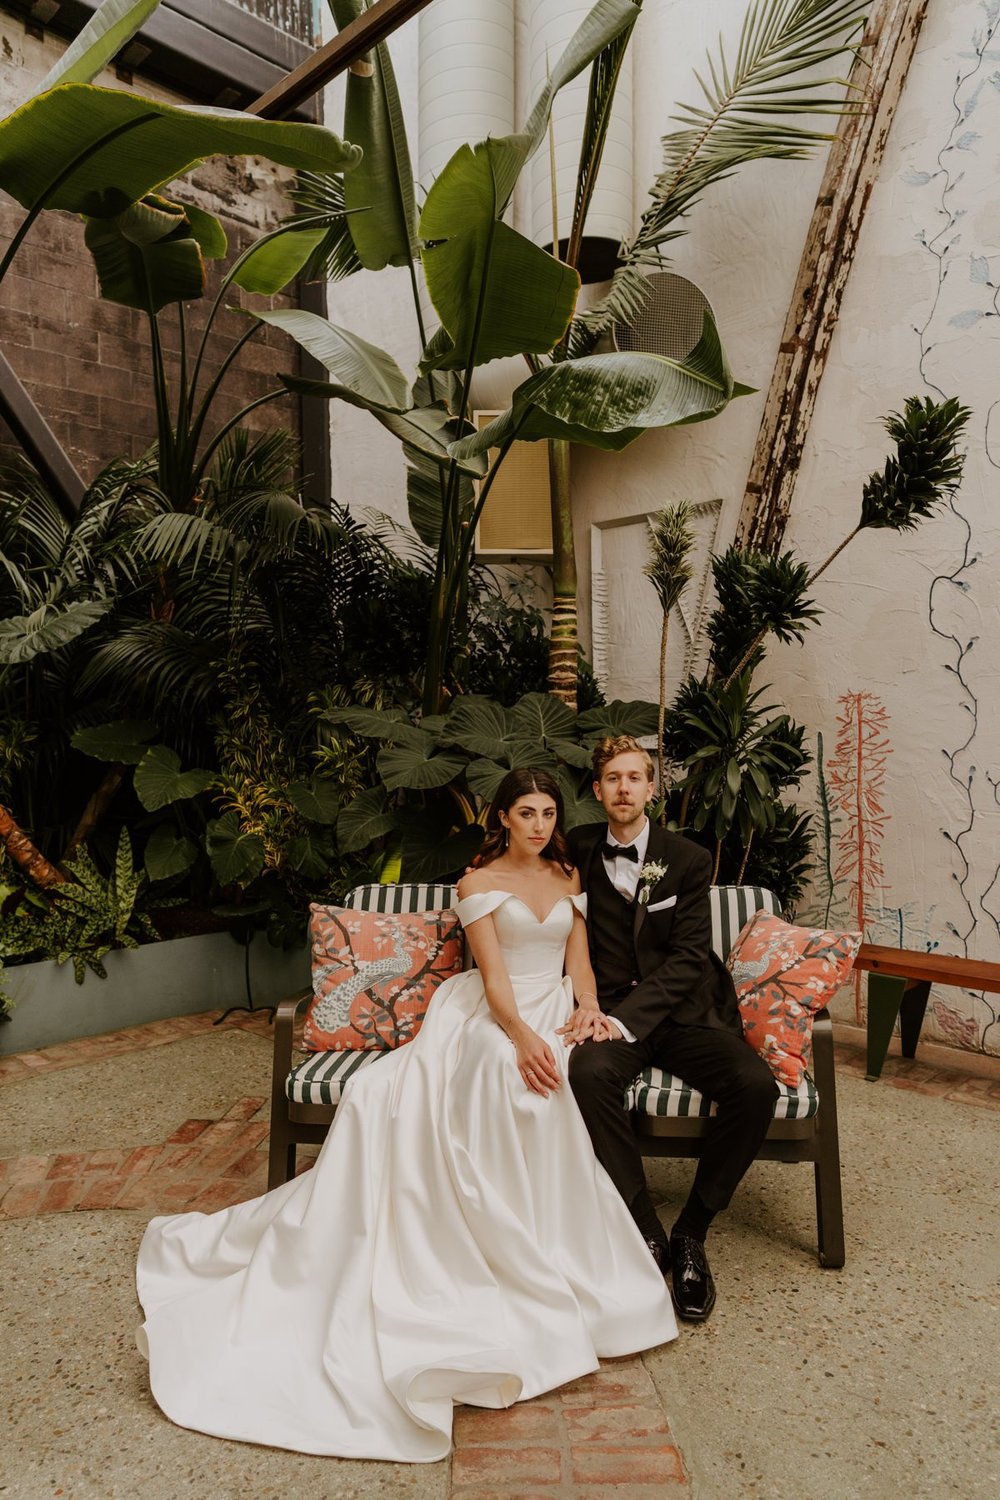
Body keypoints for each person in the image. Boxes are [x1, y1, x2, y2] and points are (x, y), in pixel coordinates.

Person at [135, 768, 676, 1462]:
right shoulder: (477, 886)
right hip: (495, 1013)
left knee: (565, 1080)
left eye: (548, 813)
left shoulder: (570, 879)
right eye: (526, 814)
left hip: (555, 1007)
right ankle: (488, 1251)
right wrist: (520, 1037)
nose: (540, 825)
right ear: (502, 819)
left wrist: (588, 1011)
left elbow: (580, 964)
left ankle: (559, 1252)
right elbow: (494, 978)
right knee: (510, 1080)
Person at [563, 736, 779, 1323]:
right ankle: (645, 1228)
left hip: (682, 1014)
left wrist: (623, 1021)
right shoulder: (576, 848)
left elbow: (688, 957)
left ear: (652, 788)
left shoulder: (686, 858)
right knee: (586, 1074)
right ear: (597, 788)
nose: (624, 788)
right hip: (605, 1012)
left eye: (635, 777)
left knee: (755, 1088)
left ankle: (691, 1233)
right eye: (612, 778)